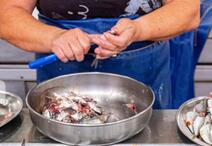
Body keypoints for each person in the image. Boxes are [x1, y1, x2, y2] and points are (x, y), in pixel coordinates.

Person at [0, 1, 201, 108]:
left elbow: (187, 10)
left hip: (144, 71)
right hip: (62, 73)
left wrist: (139, 29)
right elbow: (7, 14)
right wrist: (56, 37)